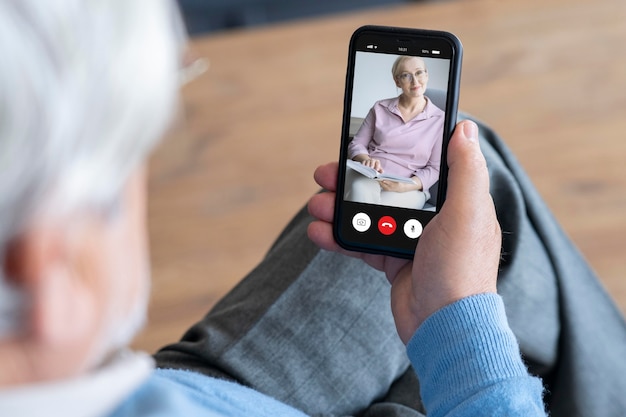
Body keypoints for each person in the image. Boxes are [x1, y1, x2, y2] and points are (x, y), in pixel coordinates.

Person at [1, 1, 626, 416]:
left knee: (457, 191)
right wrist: (464, 328)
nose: (410, 85)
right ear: (47, 271)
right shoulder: (384, 112)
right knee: (479, 197)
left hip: (179, 389)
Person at [345, 56, 444, 209]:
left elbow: (435, 168)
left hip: (408, 186)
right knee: (359, 189)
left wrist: (407, 186)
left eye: (419, 73)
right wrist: (366, 159)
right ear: (397, 81)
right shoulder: (379, 108)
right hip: (369, 175)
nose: (415, 81)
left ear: (427, 75)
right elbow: (356, 144)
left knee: (379, 210)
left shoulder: (440, 120)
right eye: (406, 75)